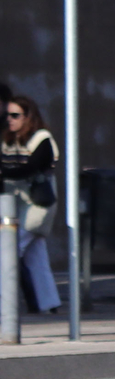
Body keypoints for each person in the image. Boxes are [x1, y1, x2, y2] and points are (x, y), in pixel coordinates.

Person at [0, 94, 64, 314]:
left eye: (16, 115)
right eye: (7, 115)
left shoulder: (41, 139)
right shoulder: (9, 139)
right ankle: (48, 304)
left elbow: (31, 168)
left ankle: (5, 308)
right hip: (17, 205)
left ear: (29, 117)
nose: (10, 119)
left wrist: (4, 172)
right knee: (36, 257)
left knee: (8, 250)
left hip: (38, 205)